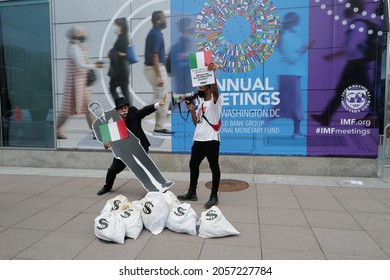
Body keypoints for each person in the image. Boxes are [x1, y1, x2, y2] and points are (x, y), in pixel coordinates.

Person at [312, 0, 379, 127]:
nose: (345, 9)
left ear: (353, 9)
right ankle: (325, 117)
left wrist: (333, 55)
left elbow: (351, 47)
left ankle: (376, 116)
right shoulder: (358, 24)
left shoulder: (358, 24)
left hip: (355, 65)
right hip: (357, 64)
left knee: (360, 91)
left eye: (347, 7)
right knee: (359, 91)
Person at [89, 96, 173, 195]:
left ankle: (160, 184)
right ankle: (107, 187)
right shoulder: (100, 123)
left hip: (136, 146)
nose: (124, 110)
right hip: (122, 151)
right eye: (121, 109)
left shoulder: (132, 112)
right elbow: (101, 137)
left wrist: (157, 105)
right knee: (113, 170)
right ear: (117, 111)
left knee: (147, 164)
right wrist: (106, 144)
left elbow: (143, 111)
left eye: (125, 108)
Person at [177, 62, 222, 209]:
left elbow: (215, 91)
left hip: (211, 140)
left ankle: (214, 195)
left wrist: (212, 74)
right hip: (198, 140)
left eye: (202, 88)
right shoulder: (201, 103)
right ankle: (192, 192)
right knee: (193, 165)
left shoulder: (216, 101)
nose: (199, 90)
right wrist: (191, 110)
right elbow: (198, 123)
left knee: (214, 167)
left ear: (208, 89)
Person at [57, 25, 105, 139]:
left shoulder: (78, 47)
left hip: (81, 83)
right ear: (75, 35)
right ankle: (56, 129)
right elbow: (80, 65)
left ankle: (96, 132)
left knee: (89, 107)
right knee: (67, 110)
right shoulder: (74, 47)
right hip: (75, 85)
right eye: (81, 33)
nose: (84, 35)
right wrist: (95, 65)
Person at [143, 11, 173, 136]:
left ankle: (158, 126)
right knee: (162, 98)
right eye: (163, 18)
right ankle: (133, 116)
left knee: (160, 97)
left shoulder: (156, 33)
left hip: (155, 68)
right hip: (155, 69)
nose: (165, 20)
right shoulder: (156, 35)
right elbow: (154, 56)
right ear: (157, 21)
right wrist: (160, 76)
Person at [108, 18, 131, 105]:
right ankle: (129, 111)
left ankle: (122, 108)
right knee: (124, 91)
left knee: (114, 89)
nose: (113, 27)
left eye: (115, 25)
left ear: (120, 27)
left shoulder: (121, 39)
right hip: (121, 69)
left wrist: (114, 52)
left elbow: (124, 53)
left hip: (120, 69)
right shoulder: (122, 37)